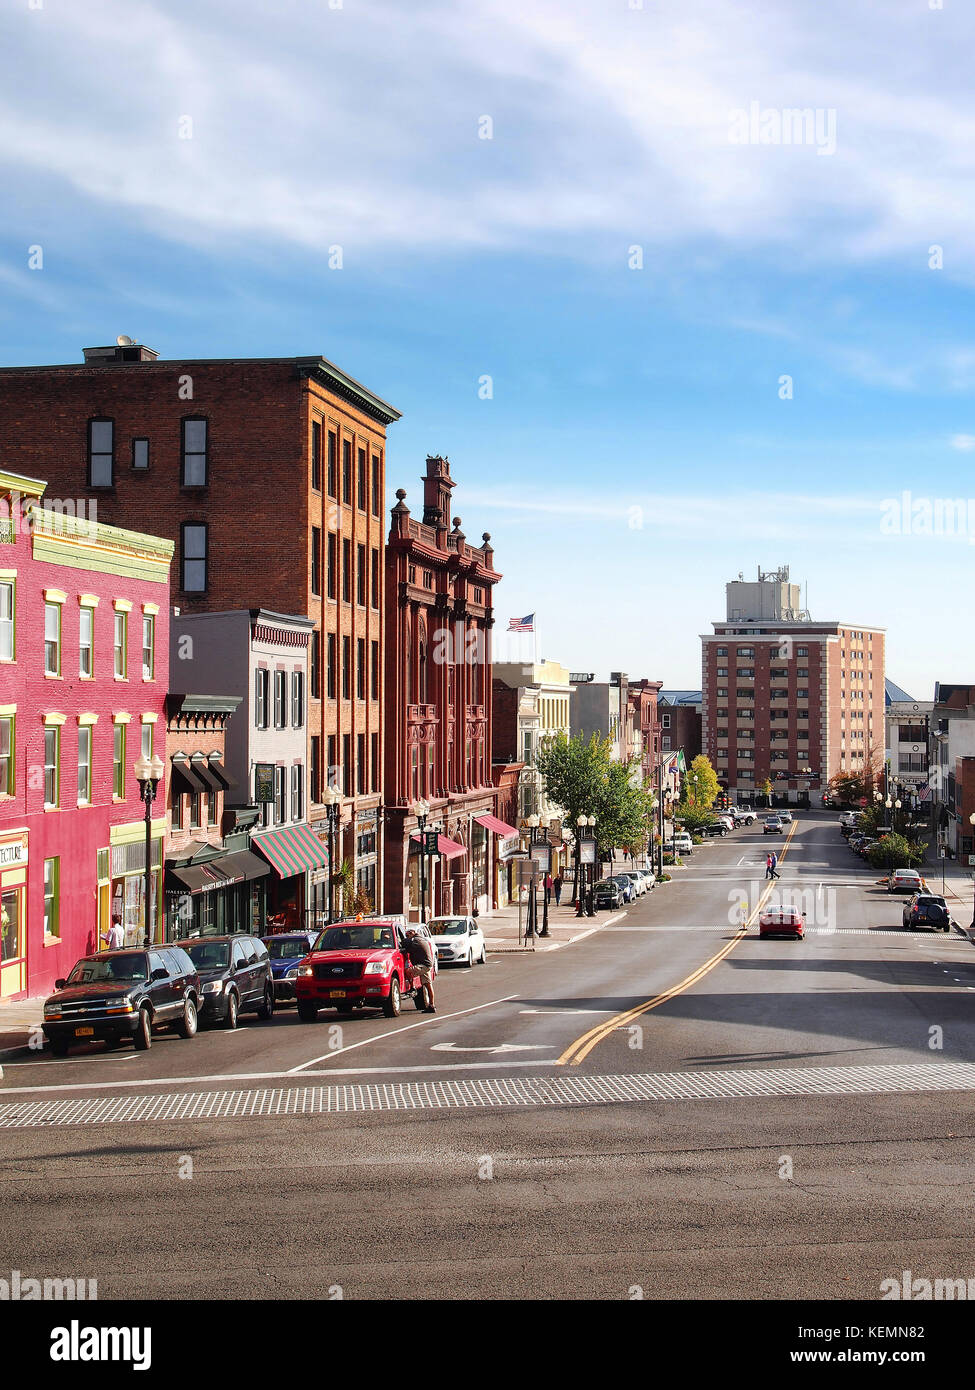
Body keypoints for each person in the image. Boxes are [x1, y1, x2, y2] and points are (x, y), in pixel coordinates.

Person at [404, 928, 436, 1012]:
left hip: (423, 965)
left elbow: (407, 947)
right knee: (428, 985)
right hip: (428, 964)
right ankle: (432, 1005)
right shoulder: (422, 939)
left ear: (412, 933)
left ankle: (412, 988)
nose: (407, 937)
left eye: (408, 935)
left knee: (408, 971)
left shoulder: (415, 941)